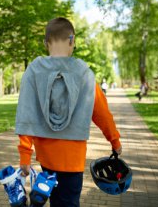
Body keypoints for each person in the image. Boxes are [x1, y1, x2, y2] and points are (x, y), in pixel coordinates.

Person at [15, 17, 122, 207]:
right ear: (72, 41)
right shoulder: (84, 74)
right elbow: (102, 113)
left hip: (47, 160)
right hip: (73, 160)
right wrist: (115, 140)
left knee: (50, 200)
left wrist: (25, 155)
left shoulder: (34, 71)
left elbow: (26, 112)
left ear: (46, 43)